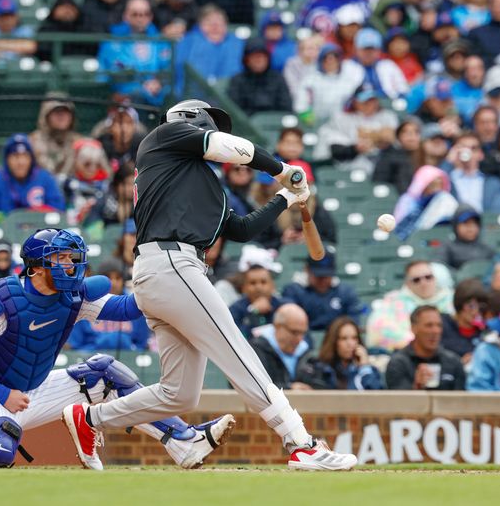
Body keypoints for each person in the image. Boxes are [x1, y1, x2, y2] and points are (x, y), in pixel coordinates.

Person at [60, 99, 358, 471]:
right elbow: (236, 149)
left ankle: (90, 419)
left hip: (171, 271)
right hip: (171, 263)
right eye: (211, 124)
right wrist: (283, 170)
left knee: (178, 394)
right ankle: (301, 443)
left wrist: (286, 198)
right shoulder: (163, 138)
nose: (216, 131)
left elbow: (241, 229)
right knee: (238, 353)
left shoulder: (205, 186)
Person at [0, 228, 234, 470]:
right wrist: (3, 395)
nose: (71, 266)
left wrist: (160, 282)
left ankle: (183, 441)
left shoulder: (72, 296)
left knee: (105, 374)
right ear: (37, 266)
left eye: (72, 258)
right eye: (61, 258)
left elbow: (127, 309)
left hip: (32, 391)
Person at [97, 0, 171, 106]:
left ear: (151, 17)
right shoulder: (112, 43)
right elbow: (112, 72)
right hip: (124, 102)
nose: (140, 18)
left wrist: (159, 82)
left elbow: (168, 68)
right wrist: (141, 87)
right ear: (125, 16)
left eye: (145, 14)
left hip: (157, 100)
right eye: (135, 14)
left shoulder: (161, 42)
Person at [366, 260, 455, 352]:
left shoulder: (452, 299)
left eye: (428, 277)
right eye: (416, 280)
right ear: (408, 283)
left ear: (435, 278)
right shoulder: (393, 301)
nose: (423, 283)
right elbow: (379, 330)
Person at [67, 258, 151, 352]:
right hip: (90, 361)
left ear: (123, 280)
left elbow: (142, 346)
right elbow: (76, 347)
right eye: (108, 278)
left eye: (118, 278)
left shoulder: (135, 305)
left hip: (129, 362)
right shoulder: (83, 303)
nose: (113, 283)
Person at [0, 133, 66, 216]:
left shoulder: (45, 178)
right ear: (7, 159)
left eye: (25, 156)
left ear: (31, 159)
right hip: (5, 230)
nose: (21, 162)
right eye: (15, 156)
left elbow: (58, 211)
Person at [281, 248, 364, 333]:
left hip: (336, 341)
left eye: (327, 275)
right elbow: (290, 324)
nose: (323, 280)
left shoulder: (346, 292)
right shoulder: (293, 291)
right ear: (307, 269)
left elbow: (353, 322)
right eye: (318, 276)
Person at [385, 306, 466, 390]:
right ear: (414, 328)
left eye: (439, 325)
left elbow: (460, 400)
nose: (436, 331)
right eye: (429, 325)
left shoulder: (453, 361)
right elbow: (396, 401)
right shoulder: (399, 363)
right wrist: (416, 387)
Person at [295, 316, 383, 390]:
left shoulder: (368, 370)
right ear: (333, 342)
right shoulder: (319, 369)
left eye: (354, 338)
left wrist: (364, 367)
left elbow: (377, 398)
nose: (350, 344)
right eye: (344, 338)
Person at [249, 304, 312, 390]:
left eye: (303, 333)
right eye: (294, 332)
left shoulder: (305, 352)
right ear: (277, 326)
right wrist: (289, 388)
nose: (299, 339)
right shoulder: (256, 349)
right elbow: (253, 386)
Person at [447, 132, 500, 213]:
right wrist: (448, 161)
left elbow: (499, 213)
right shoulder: (445, 180)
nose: (467, 152)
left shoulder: (493, 184)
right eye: (462, 147)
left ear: (481, 154)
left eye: (473, 149)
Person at [294, 43, 354, 126]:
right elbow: (301, 102)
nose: (330, 61)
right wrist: (306, 115)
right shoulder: (310, 80)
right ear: (321, 60)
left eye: (334, 57)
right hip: (313, 123)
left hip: (340, 124)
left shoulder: (348, 82)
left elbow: (350, 104)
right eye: (326, 58)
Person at [227, 37, 292, 116]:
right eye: (254, 57)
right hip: (247, 125)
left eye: (262, 56)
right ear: (246, 60)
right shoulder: (237, 80)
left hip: (275, 123)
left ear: (268, 59)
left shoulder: (278, 78)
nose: (259, 60)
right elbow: (235, 110)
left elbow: (286, 107)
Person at [393, 165, 459, 240]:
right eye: (432, 185)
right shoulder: (407, 200)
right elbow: (399, 229)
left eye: (440, 184)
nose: (436, 189)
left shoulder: (445, 200)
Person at [29, 93, 83, 177]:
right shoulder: (33, 141)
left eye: (66, 111)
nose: (62, 116)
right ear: (46, 116)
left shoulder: (79, 142)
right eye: (56, 112)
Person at [229, 264, 284, 339]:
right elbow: (236, 340)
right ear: (244, 288)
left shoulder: (283, 307)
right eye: (253, 283)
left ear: (272, 286)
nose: (258, 287)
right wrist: (253, 312)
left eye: (263, 282)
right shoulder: (234, 310)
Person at [440, 278, 489, 363]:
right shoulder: (440, 324)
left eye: (481, 307)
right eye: (471, 306)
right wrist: (459, 364)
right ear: (459, 303)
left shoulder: (485, 330)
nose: (476, 312)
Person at [437, 205, 496, 270]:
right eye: (465, 223)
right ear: (455, 225)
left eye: (474, 224)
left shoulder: (486, 248)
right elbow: (440, 268)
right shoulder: (447, 247)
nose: (470, 228)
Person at [372, 117, 420, 194]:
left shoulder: (426, 156)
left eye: (416, 132)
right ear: (399, 136)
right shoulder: (389, 157)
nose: (412, 136)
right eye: (406, 132)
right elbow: (379, 183)